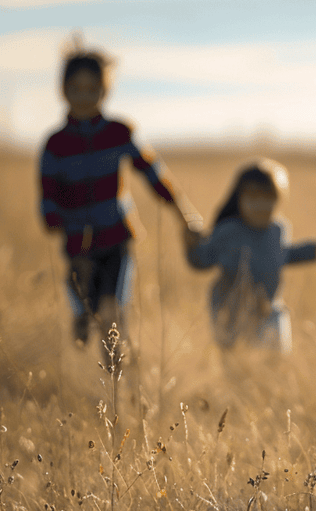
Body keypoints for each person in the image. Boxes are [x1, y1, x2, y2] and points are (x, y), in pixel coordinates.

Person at [39, 45, 198, 353]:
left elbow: (155, 176)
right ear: (63, 90)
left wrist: (185, 216)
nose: (84, 96)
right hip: (77, 247)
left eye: (93, 89)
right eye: (75, 89)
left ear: (105, 91)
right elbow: (49, 199)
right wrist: (61, 225)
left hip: (116, 239)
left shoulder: (119, 133)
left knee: (113, 313)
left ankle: (116, 379)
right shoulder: (55, 145)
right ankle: (81, 318)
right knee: (85, 303)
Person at [184, 159, 316, 352]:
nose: (261, 205)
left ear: (279, 200)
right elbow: (202, 260)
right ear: (239, 199)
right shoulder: (228, 231)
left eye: (268, 197)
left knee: (276, 360)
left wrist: (311, 250)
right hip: (232, 311)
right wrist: (189, 244)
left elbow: (282, 255)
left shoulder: (278, 229)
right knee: (237, 362)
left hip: (269, 308)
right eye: (253, 198)